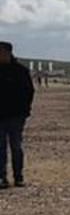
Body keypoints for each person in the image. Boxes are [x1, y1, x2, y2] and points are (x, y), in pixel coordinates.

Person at [0, 41, 34, 188]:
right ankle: (2, 178)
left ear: (8, 52)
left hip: (16, 116)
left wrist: (24, 111)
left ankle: (18, 176)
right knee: (0, 148)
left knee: (16, 146)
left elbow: (29, 92)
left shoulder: (20, 71)